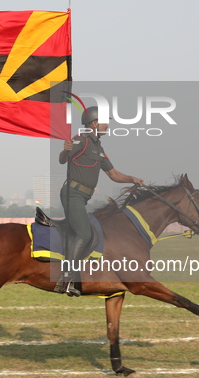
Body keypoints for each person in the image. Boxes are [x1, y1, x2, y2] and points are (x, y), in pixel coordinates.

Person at [58, 106, 144, 296]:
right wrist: (65, 150)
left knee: (91, 230)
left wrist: (132, 179)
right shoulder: (81, 139)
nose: (108, 125)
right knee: (83, 233)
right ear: (94, 123)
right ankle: (67, 278)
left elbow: (113, 174)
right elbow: (63, 159)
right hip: (72, 194)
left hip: (82, 197)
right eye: (105, 122)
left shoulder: (99, 147)